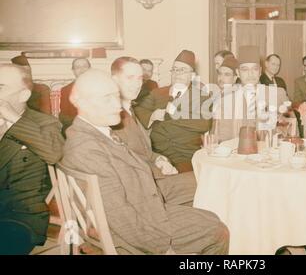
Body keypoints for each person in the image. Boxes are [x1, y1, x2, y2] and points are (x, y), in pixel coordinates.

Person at [60, 69, 229, 255]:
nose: (117, 104)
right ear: (80, 102)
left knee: (210, 191)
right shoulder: (86, 150)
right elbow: (121, 218)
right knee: (218, 229)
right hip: (142, 222)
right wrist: (163, 249)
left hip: (143, 198)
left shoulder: (96, 131)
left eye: (116, 96)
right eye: (106, 98)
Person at [110, 57, 196, 206]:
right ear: (114, 79)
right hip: (144, 191)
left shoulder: (130, 110)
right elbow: (125, 164)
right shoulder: (111, 117)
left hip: (155, 178)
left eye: (140, 78)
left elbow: (143, 150)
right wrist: (157, 168)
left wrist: (159, 159)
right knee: (208, 184)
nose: (137, 84)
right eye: (130, 78)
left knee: (208, 183)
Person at [0, 65, 64, 255]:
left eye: (0, 87)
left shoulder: (44, 123)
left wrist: (12, 118)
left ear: (23, 96)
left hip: (17, 218)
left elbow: (54, 153)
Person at [134, 50, 212, 173]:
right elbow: (138, 109)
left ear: (192, 76)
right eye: (175, 69)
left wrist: (172, 114)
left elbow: (203, 123)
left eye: (183, 70)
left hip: (186, 156)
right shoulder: (157, 93)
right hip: (158, 154)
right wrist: (152, 116)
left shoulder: (202, 96)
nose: (177, 73)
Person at [213, 46, 290, 142]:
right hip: (237, 153)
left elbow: (290, 129)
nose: (250, 74)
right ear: (238, 72)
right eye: (245, 70)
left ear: (260, 71)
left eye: (255, 69)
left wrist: (281, 129)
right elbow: (224, 137)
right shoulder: (227, 100)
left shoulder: (277, 94)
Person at [59, 58, 91, 135]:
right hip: (75, 126)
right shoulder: (66, 90)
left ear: (90, 69)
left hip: (96, 125)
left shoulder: (100, 87)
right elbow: (63, 116)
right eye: (77, 67)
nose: (81, 70)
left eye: (84, 66)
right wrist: (80, 123)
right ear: (73, 70)